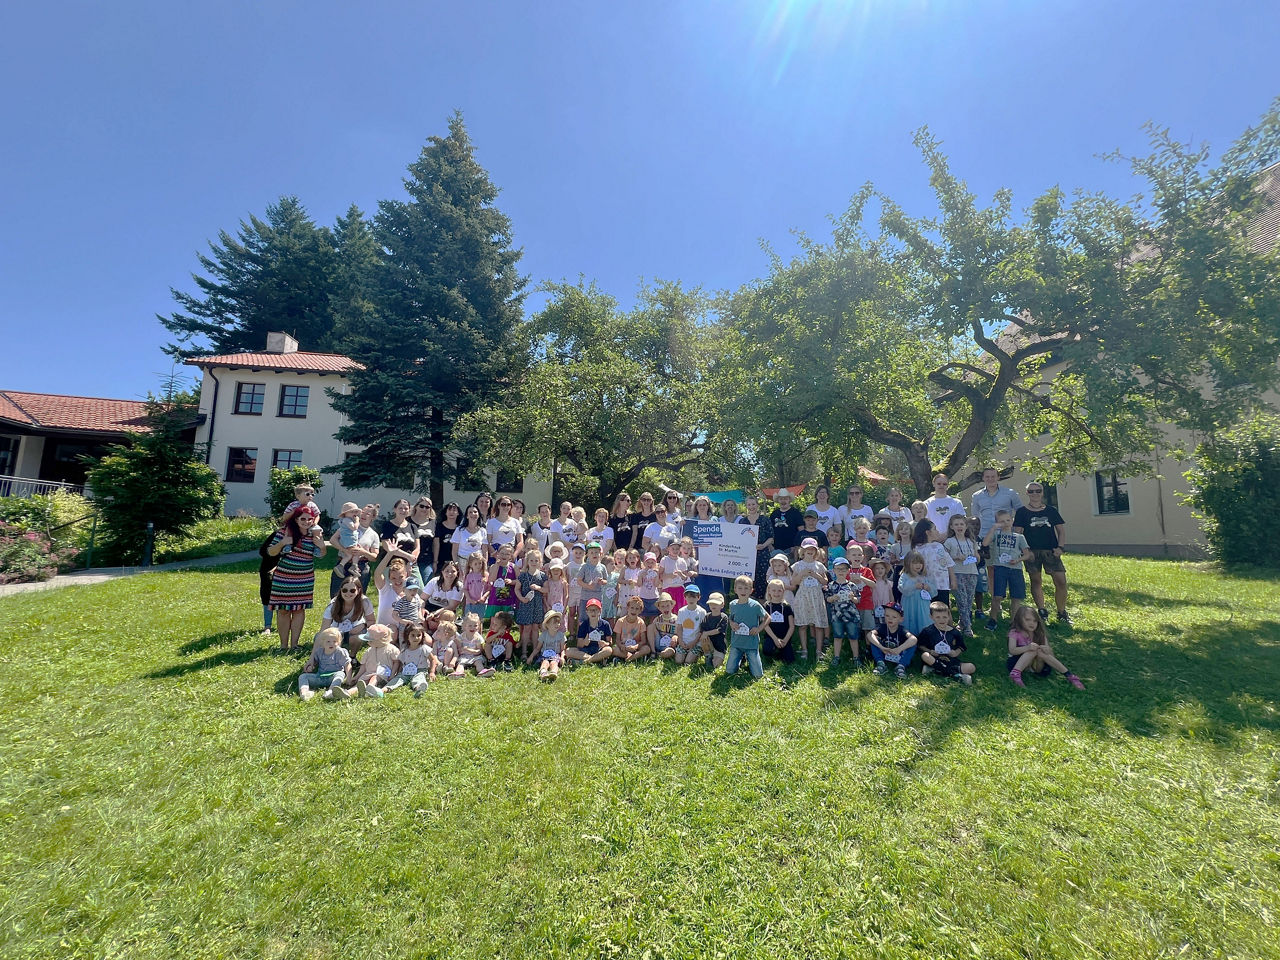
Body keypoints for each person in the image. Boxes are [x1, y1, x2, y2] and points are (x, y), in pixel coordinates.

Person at [266, 509, 328, 651]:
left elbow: (321, 555)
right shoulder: (284, 532)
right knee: (283, 611)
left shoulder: (315, 534)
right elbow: (271, 552)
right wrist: (282, 543)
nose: (306, 522)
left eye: (309, 519)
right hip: (283, 579)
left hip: (304, 580)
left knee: (299, 610)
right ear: (296, 520)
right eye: (303, 519)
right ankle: (283, 646)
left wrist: (322, 546)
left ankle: (294, 645)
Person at [1014, 482, 1072, 625]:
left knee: (1061, 581)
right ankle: (1042, 610)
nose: (1035, 494)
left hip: (1051, 551)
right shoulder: (1022, 512)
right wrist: (1024, 551)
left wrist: (1060, 547)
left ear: (1042, 492)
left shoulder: (1051, 511)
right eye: (1031, 491)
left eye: (1038, 491)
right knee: (1036, 581)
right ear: (1027, 493)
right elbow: (1018, 533)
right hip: (1032, 551)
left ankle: (1061, 612)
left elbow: (1061, 531)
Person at [1007, 606, 1085, 689]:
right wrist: (1027, 647)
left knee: (1040, 652)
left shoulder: (1040, 634)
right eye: (1027, 620)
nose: (1032, 623)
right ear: (1019, 620)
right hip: (1017, 663)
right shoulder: (1015, 633)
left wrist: (1047, 650)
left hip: (1038, 666)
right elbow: (1012, 650)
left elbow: (1050, 655)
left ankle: (1069, 675)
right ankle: (1015, 674)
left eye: (1035, 621)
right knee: (1032, 650)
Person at [984, 509, 1032, 629]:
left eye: (1008, 520)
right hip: (1000, 568)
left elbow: (1027, 554)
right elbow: (985, 543)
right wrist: (993, 528)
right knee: (998, 595)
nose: (1005, 523)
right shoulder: (996, 534)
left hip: (1015, 569)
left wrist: (1017, 560)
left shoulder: (1019, 537)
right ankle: (993, 619)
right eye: (1002, 521)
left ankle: (1013, 622)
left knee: (1016, 597)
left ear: (1012, 521)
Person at [790, 537, 829, 660]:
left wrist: (816, 575)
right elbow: (793, 582)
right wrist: (802, 574)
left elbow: (825, 581)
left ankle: (818, 651)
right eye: (807, 549)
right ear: (802, 551)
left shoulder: (819, 566)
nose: (810, 551)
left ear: (816, 551)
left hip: (816, 597)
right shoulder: (797, 565)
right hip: (803, 597)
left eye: (812, 549)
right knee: (802, 625)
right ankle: (804, 649)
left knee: (818, 625)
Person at [942, 514, 981, 638]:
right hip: (957, 573)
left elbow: (977, 557)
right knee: (962, 599)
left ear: (966, 526)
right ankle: (968, 626)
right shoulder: (949, 542)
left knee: (969, 600)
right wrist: (956, 558)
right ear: (952, 527)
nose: (959, 526)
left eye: (961, 524)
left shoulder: (971, 541)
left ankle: (962, 623)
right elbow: (943, 559)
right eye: (956, 524)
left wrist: (975, 557)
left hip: (971, 572)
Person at [917, 602, 975, 684]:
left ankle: (936, 671)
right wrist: (930, 651)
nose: (942, 620)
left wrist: (955, 653)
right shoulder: (927, 631)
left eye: (944, 617)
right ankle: (956, 676)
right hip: (934, 660)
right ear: (931, 617)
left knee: (971, 667)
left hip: (951, 661)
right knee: (925, 655)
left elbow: (961, 647)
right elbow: (920, 646)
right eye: (938, 617)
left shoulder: (954, 632)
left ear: (949, 617)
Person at [320, 576, 375, 656]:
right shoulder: (334, 604)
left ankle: (352, 657)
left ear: (358, 590)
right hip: (337, 631)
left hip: (356, 630)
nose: (348, 593)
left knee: (356, 638)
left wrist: (364, 625)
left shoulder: (364, 602)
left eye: (352, 591)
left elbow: (372, 621)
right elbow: (324, 630)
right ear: (341, 590)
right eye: (345, 590)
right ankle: (335, 658)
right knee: (319, 638)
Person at [726, 575, 766, 679]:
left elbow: (767, 618)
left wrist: (758, 629)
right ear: (735, 590)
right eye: (740, 588)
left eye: (746, 588)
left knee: (758, 675)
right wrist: (731, 623)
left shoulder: (755, 605)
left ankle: (750, 660)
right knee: (729, 671)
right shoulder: (732, 604)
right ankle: (740, 659)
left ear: (751, 590)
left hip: (751, 644)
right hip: (737, 643)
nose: (743, 591)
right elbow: (731, 618)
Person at [824, 557, 862, 669]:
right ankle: (836, 657)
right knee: (837, 636)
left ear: (848, 571)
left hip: (851, 616)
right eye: (838, 569)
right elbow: (827, 599)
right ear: (834, 570)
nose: (841, 571)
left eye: (843, 569)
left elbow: (858, 600)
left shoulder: (852, 585)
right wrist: (833, 597)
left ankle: (856, 657)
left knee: (853, 637)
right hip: (837, 616)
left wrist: (852, 597)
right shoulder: (830, 585)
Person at [298, 627, 352, 700]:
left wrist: (349, 677)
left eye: (334, 641)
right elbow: (315, 662)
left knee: (341, 674)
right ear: (322, 643)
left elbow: (347, 664)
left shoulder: (340, 652)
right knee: (303, 676)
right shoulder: (319, 651)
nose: (331, 644)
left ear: (339, 642)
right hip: (320, 676)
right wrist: (311, 667)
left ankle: (331, 691)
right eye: (328, 641)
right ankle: (304, 693)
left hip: (333, 677)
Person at [970, 467, 1023, 540]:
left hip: (1005, 535)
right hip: (984, 535)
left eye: (993, 476)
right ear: (983, 478)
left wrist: (1017, 530)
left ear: (998, 477)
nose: (990, 479)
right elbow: (975, 516)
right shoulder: (976, 496)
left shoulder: (1010, 493)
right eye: (987, 477)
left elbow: (1020, 512)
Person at [911, 519, 954, 608]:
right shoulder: (917, 549)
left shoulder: (939, 546)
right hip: (927, 586)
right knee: (929, 610)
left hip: (942, 585)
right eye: (935, 529)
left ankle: (947, 622)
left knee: (943, 609)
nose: (937, 531)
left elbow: (948, 563)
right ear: (928, 532)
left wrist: (952, 579)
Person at [867, 603, 916, 679]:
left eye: (894, 617)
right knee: (874, 640)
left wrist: (899, 649)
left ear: (901, 619)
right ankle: (881, 664)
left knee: (912, 645)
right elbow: (869, 635)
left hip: (898, 654)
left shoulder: (901, 630)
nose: (890, 619)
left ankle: (901, 666)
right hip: (885, 651)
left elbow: (914, 639)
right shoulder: (882, 627)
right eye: (887, 616)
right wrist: (881, 647)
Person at [351, 623, 401, 698]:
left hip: (383, 674)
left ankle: (370, 688)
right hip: (368, 673)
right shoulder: (369, 651)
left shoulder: (391, 649)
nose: (368, 643)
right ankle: (348, 692)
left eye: (370, 641)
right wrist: (357, 676)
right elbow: (364, 665)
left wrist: (392, 674)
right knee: (361, 682)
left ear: (381, 640)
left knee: (375, 677)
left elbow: (396, 662)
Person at [741, 495, 775, 599]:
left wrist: (764, 545)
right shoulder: (742, 521)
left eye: (753, 504)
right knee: (748, 579)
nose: (751, 507)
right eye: (749, 504)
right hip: (747, 555)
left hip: (763, 554)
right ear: (746, 506)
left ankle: (763, 603)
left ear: (757, 505)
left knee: (762, 579)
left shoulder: (765, 520)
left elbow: (771, 538)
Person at [515, 548, 547, 660]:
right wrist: (521, 598)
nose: (534, 563)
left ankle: (535, 650)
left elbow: (546, 589)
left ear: (540, 562)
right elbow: (516, 589)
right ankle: (524, 651)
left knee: (535, 627)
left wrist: (539, 588)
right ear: (527, 562)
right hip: (526, 604)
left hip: (537, 604)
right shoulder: (523, 575)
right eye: (531, 560)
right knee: (526, 627)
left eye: (536, 560)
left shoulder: (542, 575)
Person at [388, 622, 432, 697]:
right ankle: (382, 690)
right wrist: (397, 673)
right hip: (406, 671)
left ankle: (419, 689)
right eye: (413, 635)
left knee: (418, 679)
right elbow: (401, 663)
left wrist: (432, 672)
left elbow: (433, 659)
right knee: (397, 680)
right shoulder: (405, 650)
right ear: (407, 636)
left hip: (419, 670)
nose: (416, 638)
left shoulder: (424, 648)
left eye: (419, 635)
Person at [897, 550, 934, 638]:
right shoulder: (905, 576)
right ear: (907, 564)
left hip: (923, 604)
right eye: (915, 563)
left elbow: (933, 590)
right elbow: (901, 587)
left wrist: (928, 587)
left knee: (923, 619)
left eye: (920, 563)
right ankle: (910, 639)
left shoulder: (924, 576)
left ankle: (924, 639)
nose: (918, 565)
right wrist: (914, 586)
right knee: (911, 619)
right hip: (909, 603)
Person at [568, 598, 614, 665]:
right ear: (586, 612)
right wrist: (584, 642)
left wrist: (605, 644)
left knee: (609, 650)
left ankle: (585, 662)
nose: (593, 612)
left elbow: (610, 642)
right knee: (569, 651)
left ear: (600, 611)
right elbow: (579, 644)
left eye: (595, 610)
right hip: (585, 651)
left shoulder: (605, 624)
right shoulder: (583, 625)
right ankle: (596, 659)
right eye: (590, 610)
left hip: (599, 650)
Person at [760, 578, 795, 663]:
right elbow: (765, 625)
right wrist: (775, 639)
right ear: (769, 591)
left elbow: (791, 626)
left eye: (779, 590)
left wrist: (786, 640)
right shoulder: (766, 606)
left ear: (783, 591)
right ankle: (774, 648)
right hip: (771, 637)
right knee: (767, 651)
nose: (776, 593)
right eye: (774, 590)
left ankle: (782, 650)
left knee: (789, 660)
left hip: (784, 638)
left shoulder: (787, 607)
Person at [673, 583, 707, 665]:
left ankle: (698, 652)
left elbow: (702, 630)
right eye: (688, 597)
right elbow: (680, 627)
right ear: (685, 597)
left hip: (696, 642)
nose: (691, 599)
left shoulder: (702, 612)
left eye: (694, 597)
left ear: (698, 598)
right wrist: (680, 641)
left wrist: (694, 643)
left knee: (688, 662)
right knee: (679, 661)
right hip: (684, 641)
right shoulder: (681, 611)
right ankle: (684, 652)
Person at [379, 499, 420, 567]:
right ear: (395, 509)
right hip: (393, 564)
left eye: (406, 508)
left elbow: (417, 548)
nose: (403, 510)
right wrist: (408, 556)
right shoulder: (387, 525)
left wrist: (410, 562)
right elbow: (387, 546)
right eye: (400, 508)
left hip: (411, 565)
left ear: (409, 510)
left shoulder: (413, 527)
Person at [453, 613, 495, 677]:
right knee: (461, 663)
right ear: (464, 626)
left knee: (478, 662)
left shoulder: (478, 637)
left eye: (475, 625)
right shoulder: (461, 637)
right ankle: (458, 673)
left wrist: (469, 650)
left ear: (478, 626)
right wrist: (461, 649)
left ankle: (482, 671)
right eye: (470, 625)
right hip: (464, 656)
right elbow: (459, 649)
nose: (472, 628)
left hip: (475, 656)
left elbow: (479, 651)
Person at [613, 596, 652, 663]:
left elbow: (643, 641)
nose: (634, 610)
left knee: (647, 648)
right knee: (614, 649)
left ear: (640, 611)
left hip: (635, 647)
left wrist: (636, 647)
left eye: (637, 609)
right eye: (632, 608)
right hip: (624, 647)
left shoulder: (641, 622)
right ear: (627, 608)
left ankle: (630, 657)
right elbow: (617, 639)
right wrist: (621, 645)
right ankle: (630, 656)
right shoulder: (620, 621)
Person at [331, 501, 363, 580]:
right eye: (352, 512)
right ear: (345, 514)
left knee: (350, 554)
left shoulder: (347, 520)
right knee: (355, 553)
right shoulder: (346, 520)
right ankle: (352, 566)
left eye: (355, 511)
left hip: (349, 540)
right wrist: (357, 521)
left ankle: (344, 565)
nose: (354, 514)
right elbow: (354, 528)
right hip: (348, 540)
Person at [257, 530, 280, 634]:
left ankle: (282, 625)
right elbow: (262, 551)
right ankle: (267, 626)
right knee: (267, 597)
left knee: (282, 599)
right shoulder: (277, 534)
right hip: (268, 569)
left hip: (288, 571)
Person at [486, 496, 524, 561]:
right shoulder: (491, 522)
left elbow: (520, 541)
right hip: (496, 553)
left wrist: (514, 555)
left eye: (508, 505)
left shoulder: (516, 522)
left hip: (510, 553)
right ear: (498, 506)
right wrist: (496, 555)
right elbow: (487, 542)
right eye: (503, 504)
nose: (506, 507)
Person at [769, 490, 803, 558]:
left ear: (789, 500)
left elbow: (801, 531)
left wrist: (797, 547)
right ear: (778, 500)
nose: (783, 501)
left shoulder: (796, 513)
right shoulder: (774, 514)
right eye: (781, 499)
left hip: (792, 550)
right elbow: (769, 531)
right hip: (776, 549)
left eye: (785, 498)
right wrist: (770, 547)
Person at [699, 591, 729, 669]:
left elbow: (719, 630)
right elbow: (702, 629)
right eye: (711, 603)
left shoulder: (724, 617)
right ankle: (708, 655)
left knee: (717, 665)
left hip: (719, 645)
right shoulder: (707, 616)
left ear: (722, 605)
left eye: (716, 604)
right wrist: (705, 634)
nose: (713, 605)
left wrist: (706, 633)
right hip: (709, 643)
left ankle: (717, 656)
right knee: (703, 638)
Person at [410, 497, 436, 584]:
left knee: (426, 586)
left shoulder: (433, 523)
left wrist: (435, 561)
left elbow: (436, 544)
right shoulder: (407, 522)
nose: (424, 509)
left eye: (427, 507)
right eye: (422, 506)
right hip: (409, 561)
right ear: (416, 506)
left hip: (427, 561)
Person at [536, 610, 567, 681]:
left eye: (558, 623)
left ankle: (553, 673)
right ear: (547, 625)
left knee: (554, 663)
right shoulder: (544, 635)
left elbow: (562, 649)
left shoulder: (561, 635)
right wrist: (531, 657)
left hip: (555, 655)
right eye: (554, 623)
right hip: (544, 655)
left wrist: (562, 657)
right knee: (545, 662)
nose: (557, 625)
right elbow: (538, 648)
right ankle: (543, 673)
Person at [432, 502, 462, 570]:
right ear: (445, 512)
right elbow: (436, 545)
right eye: (449, 510)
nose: (451, 512)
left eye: (454, 510)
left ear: (458, 513)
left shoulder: (461, 529)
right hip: (441, 561)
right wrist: (435, 562)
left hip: (456, 561)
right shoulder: (439, 526)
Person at [648, 592, 679, 659]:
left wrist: (676, 636)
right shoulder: (658, 619)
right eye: (662, 606)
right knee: (650, 627)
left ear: (672, 606)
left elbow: (680, 633)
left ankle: (660, 654)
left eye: (667, 606)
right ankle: (653, 651)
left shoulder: (676, 619)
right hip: (659, 642)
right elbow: (653, 632)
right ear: (659, 608)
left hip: (670, 645)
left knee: (670, 652)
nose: (665, 608)